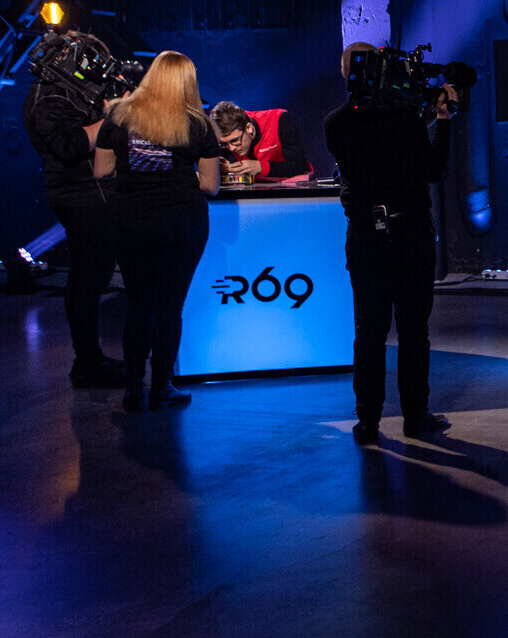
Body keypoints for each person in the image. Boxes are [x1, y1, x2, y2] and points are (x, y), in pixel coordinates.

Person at [324, 43, 458, 444]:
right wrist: (442, 118)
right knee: (414, 330)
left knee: (369, 331)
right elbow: (432, 169)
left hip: (365, 236)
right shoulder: (406, 122)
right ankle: (415, 416)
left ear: (346, 72)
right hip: (410, 234)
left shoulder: (334, 123)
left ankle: (368, 420)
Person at [93, 51, 221, 412]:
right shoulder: (198, 124)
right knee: (169, 308)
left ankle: (133, 388)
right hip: (182, 223)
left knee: (139, 306)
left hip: (131, 222)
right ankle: (161, 387)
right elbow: (210, 186)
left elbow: (101, 171)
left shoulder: (118, 116)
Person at [22, 31, 127, 388]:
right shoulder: (47, 98)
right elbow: (69, 146)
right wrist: (112, 118)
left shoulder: (72, 91)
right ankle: (87, 361)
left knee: (95, 275)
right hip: (81, 197)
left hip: (98, 194)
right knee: (87, 278)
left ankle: (90, 359)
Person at [208, 101, 313, 181]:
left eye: (235, 140)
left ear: (249, 128)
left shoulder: (280, 119)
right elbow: (217, 167)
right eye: (224, 143)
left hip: (295, 190)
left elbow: (298, 166)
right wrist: (220, 168)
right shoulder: (228, 136)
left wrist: (260, 167)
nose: (231, 148)